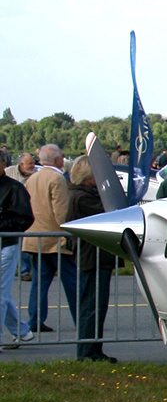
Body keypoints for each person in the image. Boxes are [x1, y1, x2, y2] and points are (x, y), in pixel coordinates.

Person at [22, 144, 76, 333]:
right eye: (62, 156)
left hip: (36, 237)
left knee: (39, 283)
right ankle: (82, 319)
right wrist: (70, 232)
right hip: (56, 239)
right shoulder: (57, 178)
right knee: (72, 282)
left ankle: (35, 319)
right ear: (56, 160)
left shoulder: (32, 178)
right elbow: (61, 211)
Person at [65, 156, 115, 362]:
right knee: (91, 305)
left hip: (95, 256)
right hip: (91, 256)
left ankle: (94, 349)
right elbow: (107, 212)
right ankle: (87, 351)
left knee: (96, 305)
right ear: (87, 176)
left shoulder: (83, 194)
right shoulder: (83, 197)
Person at [0, 150, 34, 348]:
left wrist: (3, 223)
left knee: (0, 293)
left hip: (6, 245)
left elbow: (25, 218)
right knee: (2, 293)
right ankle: (22, 331)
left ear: (3, 164)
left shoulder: (15, 188)